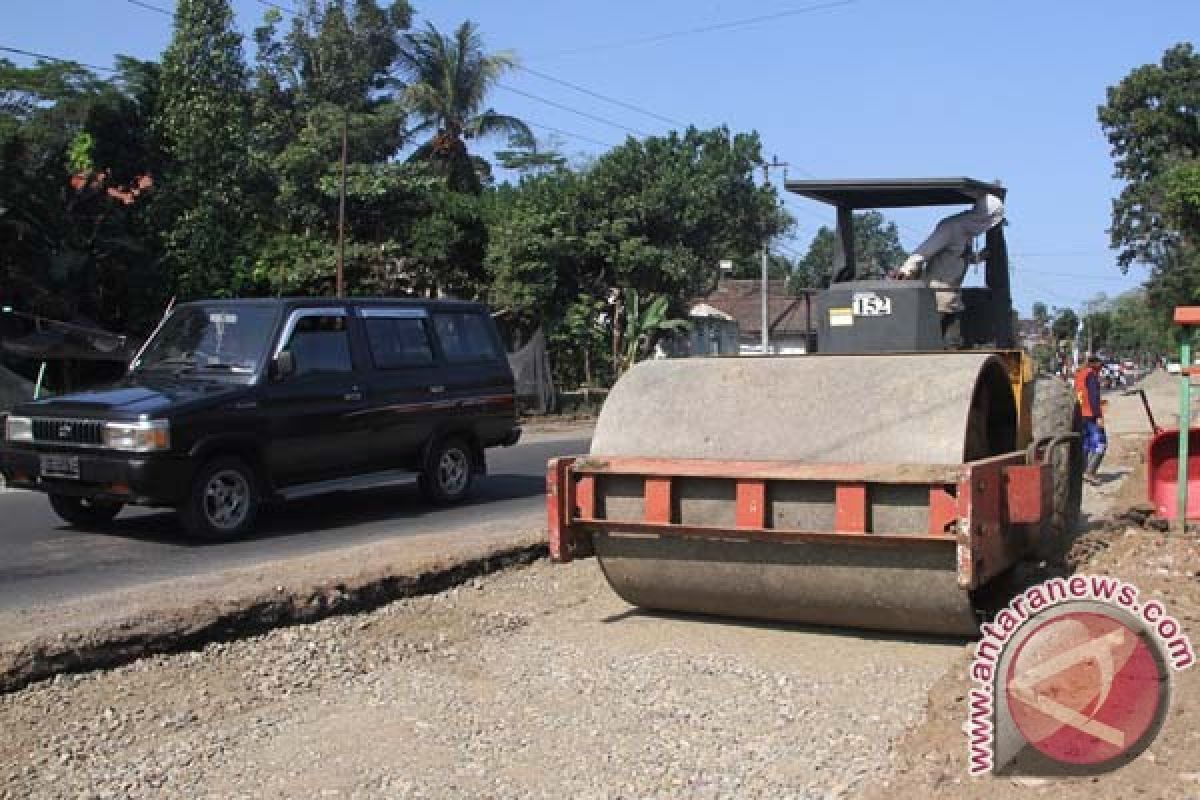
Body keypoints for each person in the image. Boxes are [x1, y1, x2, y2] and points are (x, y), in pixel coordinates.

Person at [895, 193, 1006, 347]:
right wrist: (906, 270)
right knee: (932, 341)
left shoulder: (968, 231)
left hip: (953, 298)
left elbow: (958, 257)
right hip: (937, 297)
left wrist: (980, 257)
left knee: (952, 342)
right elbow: (924, 250)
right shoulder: (951, 227)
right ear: (984, 217)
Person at [1074, 354, 1107, 484]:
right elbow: (1093, 396)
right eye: (1101, 364)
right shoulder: (1091, 375)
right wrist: (1098, 415)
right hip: (1091, 415)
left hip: (1080, 415)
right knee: (1101, 444)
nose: (1101, 367)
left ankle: (1081, 472)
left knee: (1086, 445)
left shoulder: (1080, 375)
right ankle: (1090, 472)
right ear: (1095, 363)